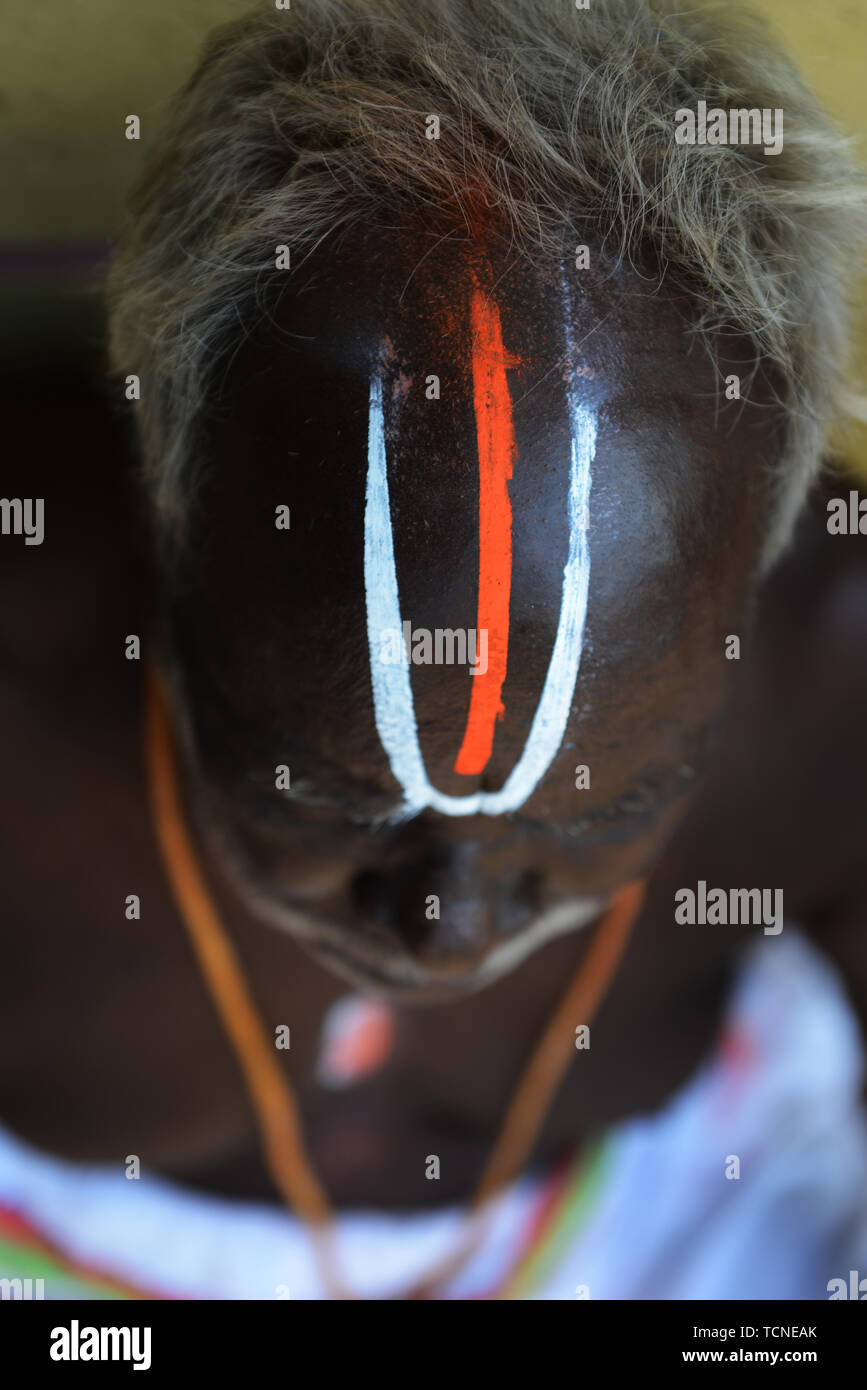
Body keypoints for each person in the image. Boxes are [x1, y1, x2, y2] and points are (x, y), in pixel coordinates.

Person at [2, 0, 866, 1299]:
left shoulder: (837, 683)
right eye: (332, 792)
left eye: (606, 805)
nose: (442, 929)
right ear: (165, 524)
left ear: (759, 571)